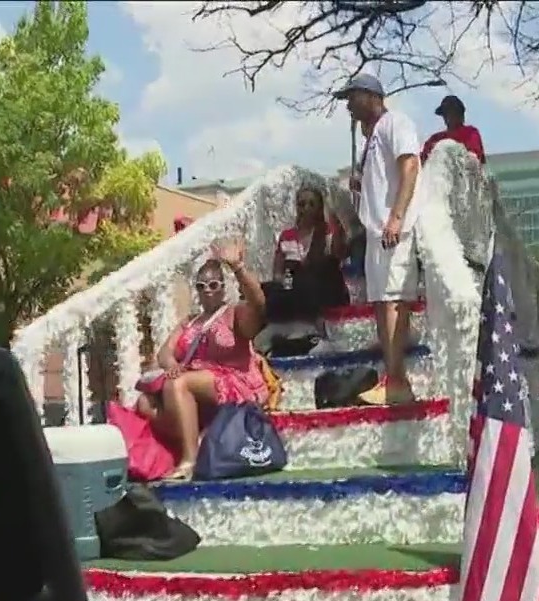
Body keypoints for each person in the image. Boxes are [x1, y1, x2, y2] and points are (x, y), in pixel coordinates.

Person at [137, 244, 271, 481]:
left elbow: (259, 303)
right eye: (201, 286)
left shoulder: (234, 314)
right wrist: (172, 365)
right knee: (145, 403)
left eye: (214, 285)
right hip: (196, 383)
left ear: (223, 287)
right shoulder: (190, 321)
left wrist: (237, 268)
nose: (207, 290)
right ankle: (199, 436)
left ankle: (190, 461)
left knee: (178, 385)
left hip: (234, 382)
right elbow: (164, 353)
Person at [336, 74, 423, 405]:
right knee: (381, 302)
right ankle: (392, 378)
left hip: (393, 229)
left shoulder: (395, 123)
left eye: (351, 98)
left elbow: (411, 166)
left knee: (394, 300)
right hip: (376, 234)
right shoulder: (371, 138)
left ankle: (398, 380)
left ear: (370, 96)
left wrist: (397, 217)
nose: (347, 105)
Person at [263, 185, 350, 327]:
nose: (306, 208)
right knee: (270, 288)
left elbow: (338, 255)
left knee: (321, 267)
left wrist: (336, 226)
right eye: (301, 204)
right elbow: (278, 273)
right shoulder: (287, 236)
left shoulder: (328, 231)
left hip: (324, 288)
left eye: (311, 204)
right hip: (295, 288)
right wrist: (284, 285)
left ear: (319, 207)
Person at [420, 95, 486, 164]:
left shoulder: (471, 132)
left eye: (452, 112)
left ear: (460, 113)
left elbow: (475, 159)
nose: (447, 116)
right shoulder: (435, 138)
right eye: (445, 113)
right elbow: (422, 161)